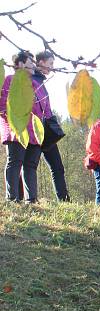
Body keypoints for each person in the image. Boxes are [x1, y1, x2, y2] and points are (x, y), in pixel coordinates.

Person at [0, 51, 47, 203]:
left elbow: (41, 109)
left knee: (31, 166)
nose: (34, 65)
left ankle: (31, 200)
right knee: (15, 163)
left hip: (34, 133)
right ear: (20, 64)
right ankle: (12, 198)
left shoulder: (35, 84)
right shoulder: (10, 80)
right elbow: (3, 106)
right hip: (16, 131)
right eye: (30, 62)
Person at [33, 51, 69, 201]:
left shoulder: (41, 82)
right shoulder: (31, 80)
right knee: (29, 166)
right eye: (50, 63)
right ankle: (25, 198)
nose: (52, 67)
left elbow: (46, 107)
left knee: (57, 167)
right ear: (40, 62)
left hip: (47, 132)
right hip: (35, 130)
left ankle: (64, 200)